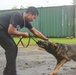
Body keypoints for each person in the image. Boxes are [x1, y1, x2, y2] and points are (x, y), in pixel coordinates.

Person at [0, 6, 48, 75]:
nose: (33, 19)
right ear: (30, 13)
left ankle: (8, 72)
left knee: (14, 48)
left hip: (4, 31)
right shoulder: (17, 15)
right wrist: (22, 34)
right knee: (11, 48)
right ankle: (10, 73)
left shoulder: (25, 22)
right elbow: (10, 31)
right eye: (34, 17)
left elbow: (35, 32)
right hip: (1, 30)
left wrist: (46, 39)